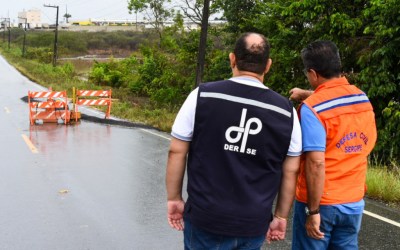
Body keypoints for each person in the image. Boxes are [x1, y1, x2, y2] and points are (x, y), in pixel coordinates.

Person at [165, 32, 302, 249]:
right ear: (268, 65)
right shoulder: (286, 112)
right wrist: (281, 216)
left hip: (205, 218)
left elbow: (177, 151)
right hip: (253, 224)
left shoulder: (202, 96)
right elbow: (291, 170)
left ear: (232, 59)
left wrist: (174, 198)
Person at [289, 40, 377, 249]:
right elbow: (335, 98)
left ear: (312, 73)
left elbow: (316, 164)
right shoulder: (362, 99)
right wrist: (306, 94)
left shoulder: (312, 110)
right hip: (353, 202)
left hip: (323, 204)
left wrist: (313, 211)